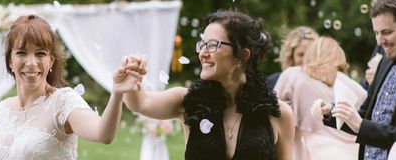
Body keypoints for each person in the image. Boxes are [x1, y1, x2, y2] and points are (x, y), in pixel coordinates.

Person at [122, 9, 295, 159]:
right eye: (202, 44)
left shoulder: (279, 114)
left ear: (243, 55)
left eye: (213, 45)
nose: (203, 53)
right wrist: (131, 80)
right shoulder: (187, 101)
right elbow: (140, 103)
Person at [0, 14, 142, 160]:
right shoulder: (4, 107)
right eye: (22, 53)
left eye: (40, 54)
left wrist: (116, 94)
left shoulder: (62, 102)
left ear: (51, 61)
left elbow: (103, 134)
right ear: (10, 61)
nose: (32, 63)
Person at [318, 0, 396, 159]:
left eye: (386, 32)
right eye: (376, 33)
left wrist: (361, 126)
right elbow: (365, 116)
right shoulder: (385, 61)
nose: (379, 41)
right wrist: (333, 112)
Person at [275, 36, 366, 159]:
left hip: (313, 153)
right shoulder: (357, 89)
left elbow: (273, 112)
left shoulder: (293, 76)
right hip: (354, 154)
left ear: (311, 54)